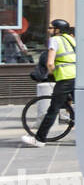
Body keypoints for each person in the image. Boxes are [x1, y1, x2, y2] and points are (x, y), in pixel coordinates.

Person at [22, 18, 76, 148]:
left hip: (64, 78)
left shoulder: (55, 40)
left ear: (58, 29)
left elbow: (50, 63)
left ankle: (39, 139)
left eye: (52, 28)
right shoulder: (71, 39)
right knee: (81, 108)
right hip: (75, 75)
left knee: (53, 109)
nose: (50, 30)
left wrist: (51, 73)